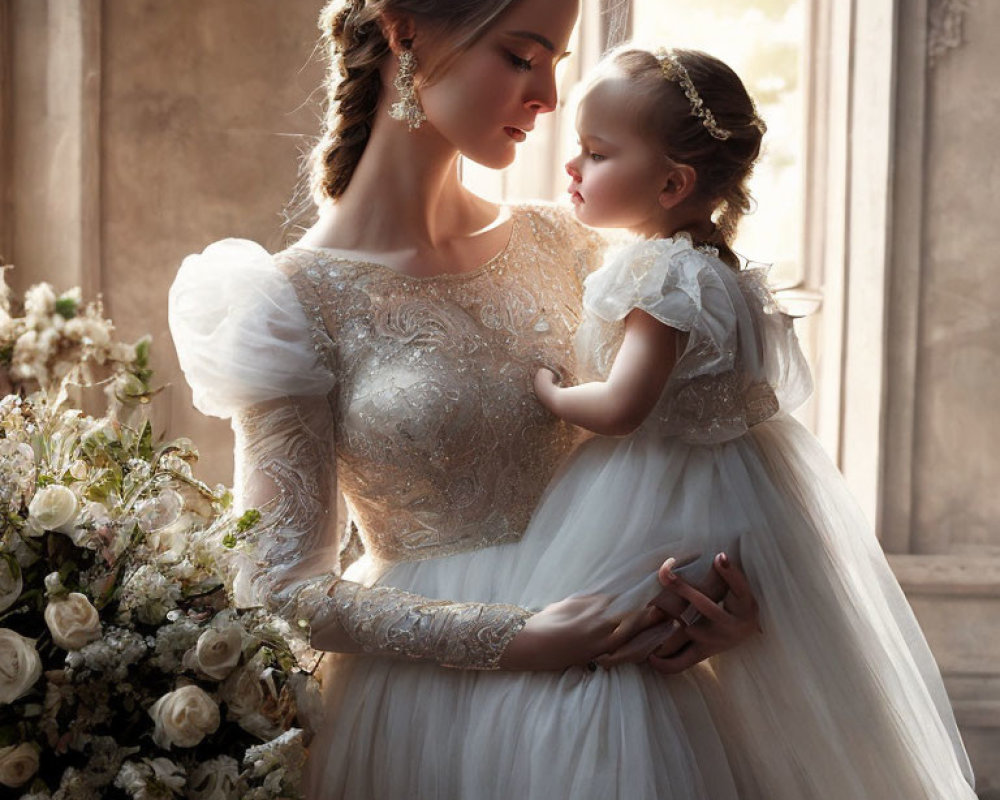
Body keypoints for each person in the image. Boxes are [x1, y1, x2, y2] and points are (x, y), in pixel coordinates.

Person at [168, 1, 763, 798]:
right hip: (433, 722)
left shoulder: (583, 244)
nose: (550, 96)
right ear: (405, 32)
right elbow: (280, 587)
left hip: (627, 705)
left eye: (557, 60)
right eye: (523, 57)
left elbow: (696, 446)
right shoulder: (291, 301)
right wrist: (511, 639)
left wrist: (720, 592)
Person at [501, 45, 974, 799]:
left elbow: (623, 407)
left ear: (671, 181)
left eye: (595, 153)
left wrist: (553, 395)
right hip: (736, 491)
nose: (572, 169)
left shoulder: (657, 274)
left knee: (600, 644)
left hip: (652, 490)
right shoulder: (726, 275)